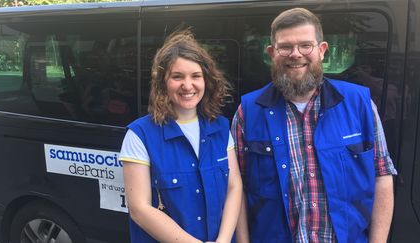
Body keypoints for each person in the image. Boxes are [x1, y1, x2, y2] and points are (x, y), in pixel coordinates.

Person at [231, 8, 397, 243]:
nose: (295, 54)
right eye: (285, 47)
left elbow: (382, 176)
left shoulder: (360, 105)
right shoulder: (248, 112)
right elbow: (236, 189)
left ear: (322, 50)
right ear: (271, 53)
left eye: (305, 45)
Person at [120, 30, 242, 243]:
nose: (188, 85)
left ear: (207, 80)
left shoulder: (221, 128)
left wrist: (223, 240)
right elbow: (139, 209)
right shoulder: (139, 135)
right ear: (162, 83)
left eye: (196, 76)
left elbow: (234, 186)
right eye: (177, 77)